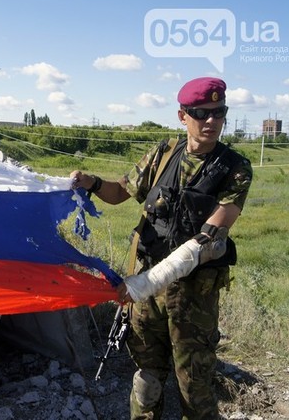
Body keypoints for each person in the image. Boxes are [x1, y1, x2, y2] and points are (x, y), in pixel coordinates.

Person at [71, 77, 253, 419]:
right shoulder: (163, 154)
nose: (212, 121)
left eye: (219, 112)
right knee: (146, 381)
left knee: (195, 390)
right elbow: (119, 192)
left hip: (192, 297)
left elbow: (214, 230)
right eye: (202, 113)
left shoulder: (234, 167)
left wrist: (146, 281)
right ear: (183, 116)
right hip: (148, 297)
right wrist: (91, 182)